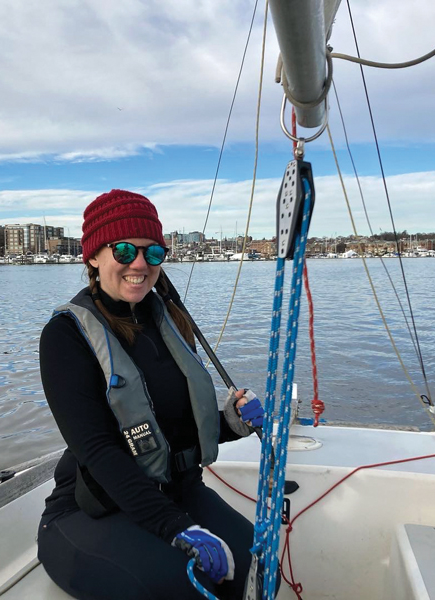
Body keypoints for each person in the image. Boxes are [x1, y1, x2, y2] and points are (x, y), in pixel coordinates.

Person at [37, 189, 265, 600]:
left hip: (179, 491)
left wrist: (230, 423)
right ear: (93, 257)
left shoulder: (171, 321)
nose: (139, 264)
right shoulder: (65, 336)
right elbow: (99, 452)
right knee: (181, 587)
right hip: (93, 508)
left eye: (152, 252)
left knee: (256, 570)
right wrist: (177, 528)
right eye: (123, 250)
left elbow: (176, 429)